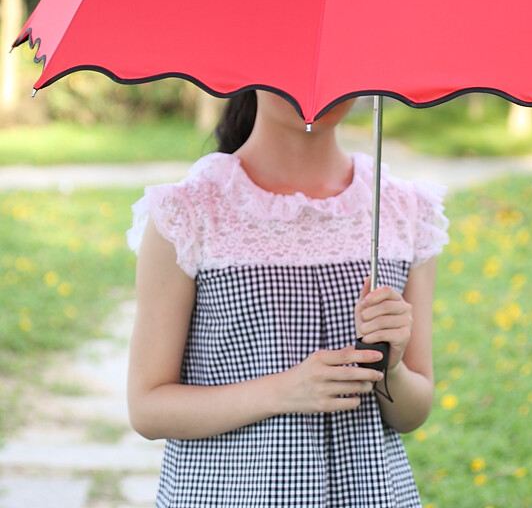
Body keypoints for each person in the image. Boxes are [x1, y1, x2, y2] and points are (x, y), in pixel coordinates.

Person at [126, 90, 448, 508]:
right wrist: (285, 391)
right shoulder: (188, 210)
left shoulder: (404, 209)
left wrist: (392, 366)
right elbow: (148, 407)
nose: (315, 86)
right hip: (227, 495)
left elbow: (413, 411)